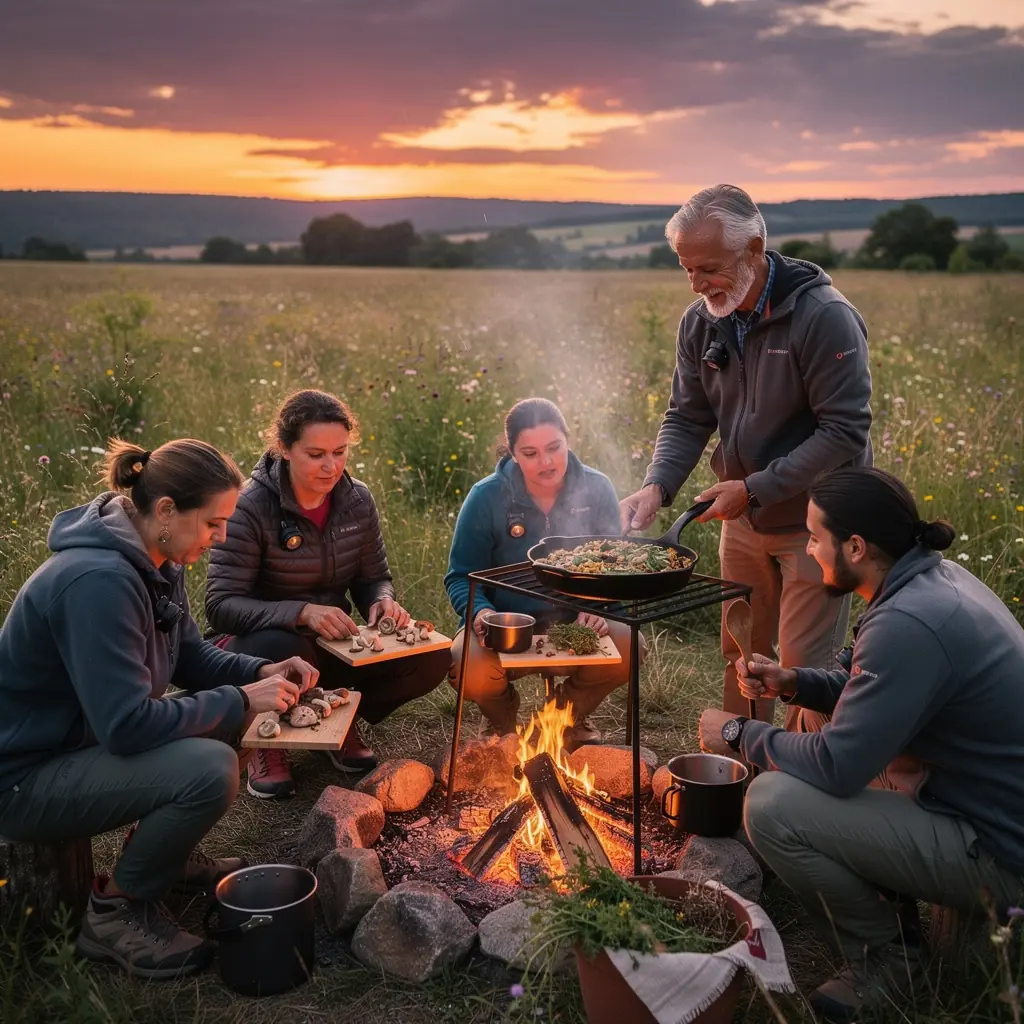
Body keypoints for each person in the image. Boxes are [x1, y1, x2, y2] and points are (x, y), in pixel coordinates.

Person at [698, 467, 1024, 1021]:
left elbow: (838, 767)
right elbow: (864, 684)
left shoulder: (909, 622)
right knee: (808, 721)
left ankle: (891, 956)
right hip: (973, 795)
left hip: (996, 845)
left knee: (771, 805)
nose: (808, 549)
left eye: (814, 537)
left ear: (855, 546)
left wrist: (738, 734)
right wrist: (793, 681)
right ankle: (883, 897)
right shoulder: (925, 579)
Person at [0, 438, 317, 979]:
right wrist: (242, 699)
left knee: (235, 721)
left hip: (79, 743)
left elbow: (190, 656)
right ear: (166, 509)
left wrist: (260, 672)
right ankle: (116, 911)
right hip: (24, 778)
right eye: (213, 523)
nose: (221, 538)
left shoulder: (158, 557)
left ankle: (164, 857)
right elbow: (126, 727)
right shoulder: (98, 582)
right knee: (210, 768)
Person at [619, 183, 873, 728]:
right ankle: (740, 768)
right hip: (743, 519)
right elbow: (687, 417)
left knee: (805, 666)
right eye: (687, 269)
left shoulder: (823, 316)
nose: (696, 283)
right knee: (742, 652)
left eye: (708, 268)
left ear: (753, 249)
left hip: (816, 522)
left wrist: (754, 488)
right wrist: (657, 486)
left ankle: (804, 778)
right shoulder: (701, 321)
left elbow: (845, 430)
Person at [205, 389, 447, 799]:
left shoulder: (357, 499)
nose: (331, 466)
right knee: (285, 644)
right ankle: (264, 735)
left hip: (332, 642)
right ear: (284, 449)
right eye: (316, 454)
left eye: (340, 452)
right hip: (260, 647)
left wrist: (381, 600)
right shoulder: (248, 506)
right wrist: (302, 612)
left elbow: (374, 577)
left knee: (432, 657)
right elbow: (221, 606)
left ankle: (334, 710)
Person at [444, 398, 644, 748]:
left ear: (568, 439)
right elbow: (460, 577)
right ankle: (501, 723)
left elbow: (614, 569)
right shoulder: (485, 497)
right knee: (466, 663)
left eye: (554, 448)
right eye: (531, 453)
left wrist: (598, 608)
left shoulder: (597, 489)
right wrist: (482, 613)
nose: (546, 462)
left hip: (575, 625)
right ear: (512, 453)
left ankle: (566, 716)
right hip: (506, 627)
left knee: (631, 645)